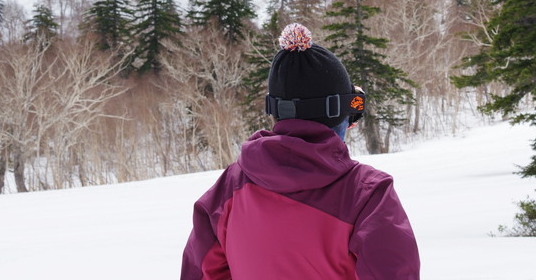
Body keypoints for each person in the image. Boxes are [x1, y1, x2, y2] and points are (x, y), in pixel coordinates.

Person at [180, 23, 420, 280]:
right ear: (338, 114)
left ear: (276, 112)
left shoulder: (228, 188)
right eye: (352, 113)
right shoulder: (368, 194)